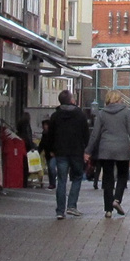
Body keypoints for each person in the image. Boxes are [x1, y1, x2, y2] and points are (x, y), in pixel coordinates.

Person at [86, 88, 130, 217]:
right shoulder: (125, 112)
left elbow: (95, 134)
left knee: (107, 179)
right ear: (118, 99)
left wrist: (88, 151)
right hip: (122, 149)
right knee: (122, 175)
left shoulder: (102, 114)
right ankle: (117, 199)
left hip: (105, 149)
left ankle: (108, 209)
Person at [45, 90, 90, 219]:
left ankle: (60, 211)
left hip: (61, 152)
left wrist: (51, 150)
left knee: (62, 180)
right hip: (76, 152)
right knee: (76, 177)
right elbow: (85, 134)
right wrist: (86, 150)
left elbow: (50, 135)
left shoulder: (55, 116)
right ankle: (72, 206)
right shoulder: (80, 115)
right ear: (71, 100)